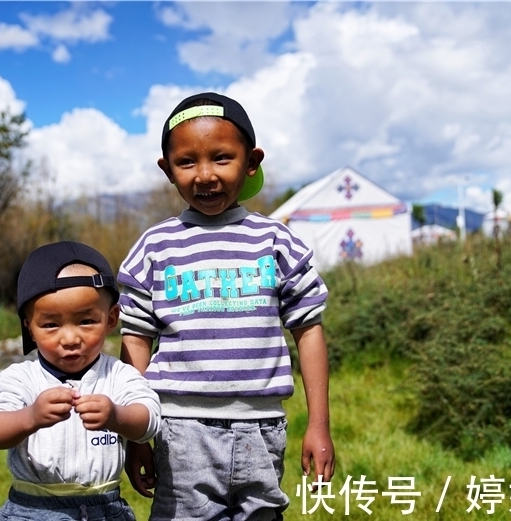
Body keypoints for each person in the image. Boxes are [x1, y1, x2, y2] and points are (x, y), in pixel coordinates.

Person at [119, 92, 335, 520]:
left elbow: (308, 330)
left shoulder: (276, 242)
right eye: (186, 162)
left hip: (262, 430)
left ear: (251, 162)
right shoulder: (155, 247)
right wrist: (136, 434)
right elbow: (135, 343)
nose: (204, 175)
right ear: (167, 169)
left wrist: (319, 424)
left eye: (221, 158)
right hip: (179, 431)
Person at [0, 241, 161, 521]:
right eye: (51, 325)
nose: (70, 339)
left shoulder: (119, 375)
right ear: (29, 326)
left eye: (86, 321)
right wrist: (31, 417)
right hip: (32, 510)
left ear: (111, 318)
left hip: (106, 509)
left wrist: (116, 415)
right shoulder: (20, 378)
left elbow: (149, 419)